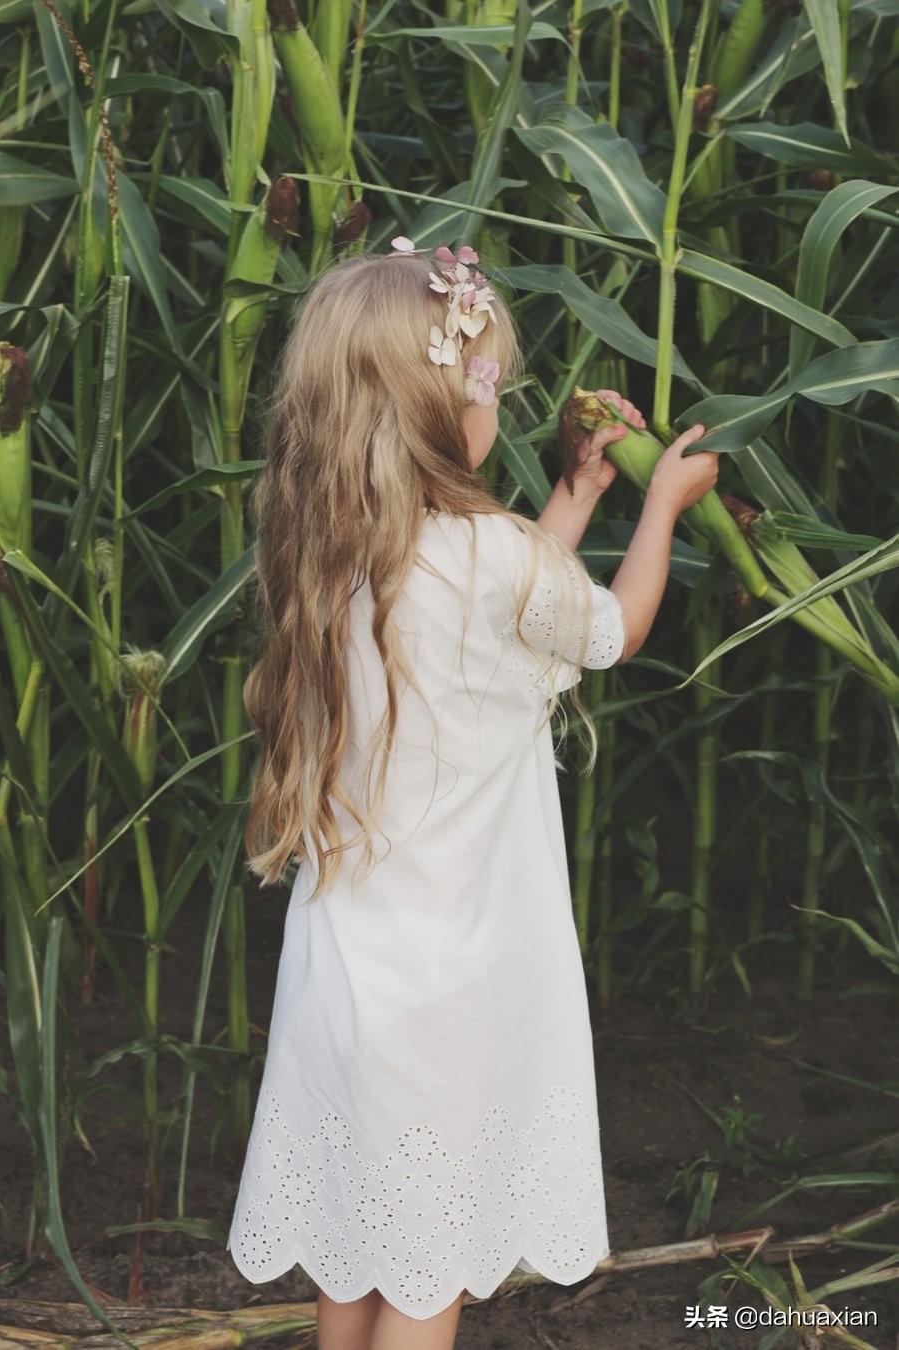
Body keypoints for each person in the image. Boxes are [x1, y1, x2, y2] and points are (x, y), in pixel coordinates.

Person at [226, 242, 718, 1350]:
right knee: (427, 1273)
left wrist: (573, 492)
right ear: (446, 404)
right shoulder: (491, 557)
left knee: (358, 1254)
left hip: (343, 975)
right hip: (453, 989)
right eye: (490, 380)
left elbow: (509, 605)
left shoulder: (337, 553)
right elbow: (607, 627)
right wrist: (661, 505)